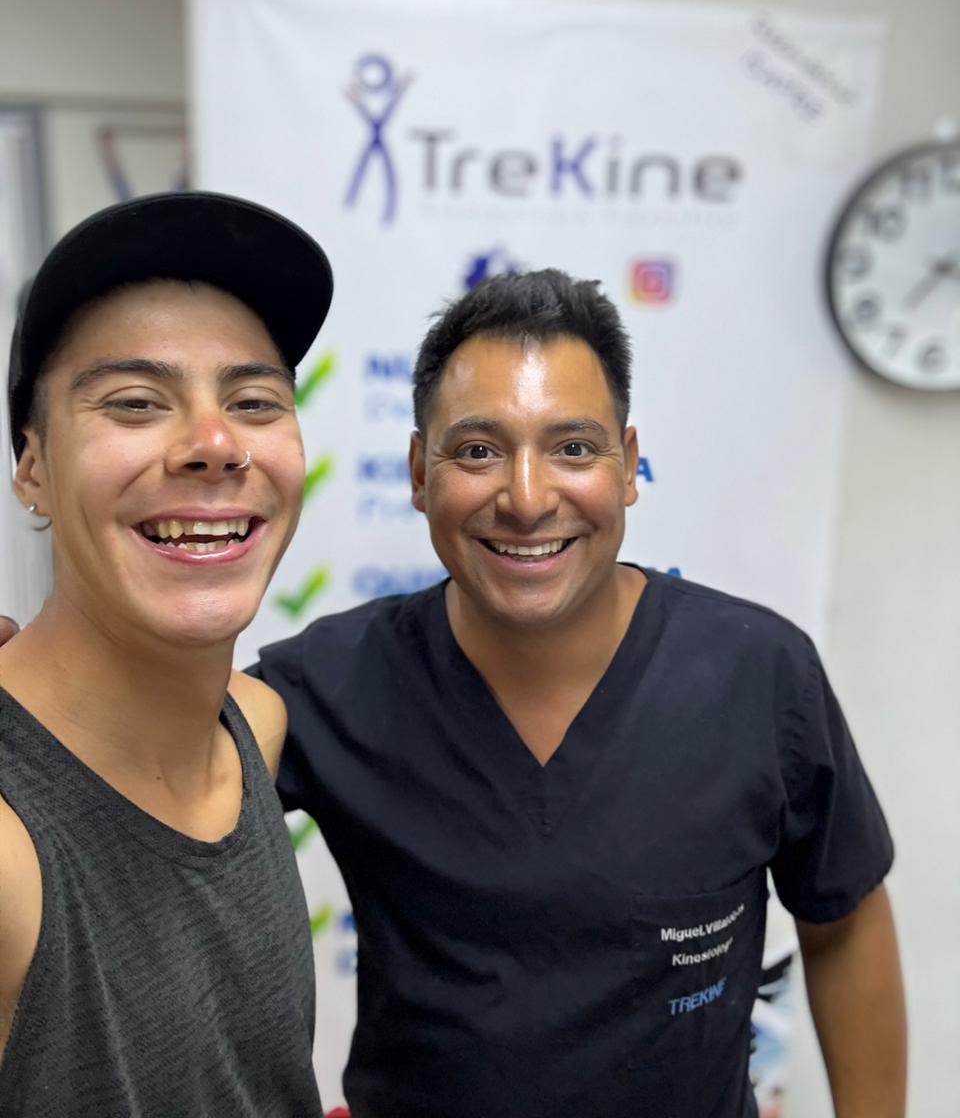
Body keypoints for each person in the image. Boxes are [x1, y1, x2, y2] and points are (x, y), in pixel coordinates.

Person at [252, 270, 906, 1117]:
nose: (527, 500)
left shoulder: (759, 675)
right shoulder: (325, 686)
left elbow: (844, 920)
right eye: (478, 450)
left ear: (628, 467)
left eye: (572, 448)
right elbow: (143, 778)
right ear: (419, 473)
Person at [0, 192, 333, 1117]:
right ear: (32, 465)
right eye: (137, 403)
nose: (214, 445)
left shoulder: (255, 729)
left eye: (254, 402)